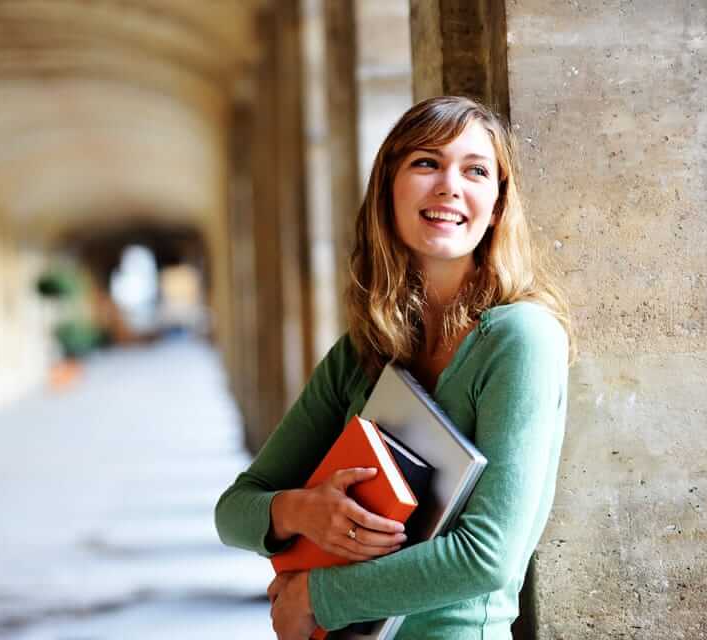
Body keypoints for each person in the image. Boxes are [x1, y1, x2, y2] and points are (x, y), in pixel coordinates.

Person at [215, 95, 573, 640]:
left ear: (498, 204)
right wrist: (301, 511)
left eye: (475, 171)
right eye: (426, 162)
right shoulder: (363, 350)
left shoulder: (520, 338)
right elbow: (234, 510)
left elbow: (487, 557)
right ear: (388, 188)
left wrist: (316, 597)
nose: (450, 185)